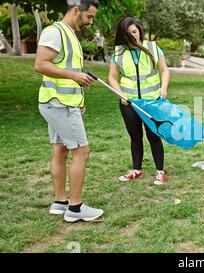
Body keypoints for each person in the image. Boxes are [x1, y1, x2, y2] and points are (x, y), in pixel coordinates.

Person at [34, 0, 103, 222]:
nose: (91, 21)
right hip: (58, 104)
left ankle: (60, 202)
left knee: (60, 150)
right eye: (89, 16)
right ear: (76, 10)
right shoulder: (55, 32)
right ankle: (75, 209)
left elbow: (67, 68)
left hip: (63, 103)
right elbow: (41, 64)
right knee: (81, 152)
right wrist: (75, 76)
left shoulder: (70, 34)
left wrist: (78, 98)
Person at [108, 16, 170, 185]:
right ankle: (136, 170)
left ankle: (160, 171)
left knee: (154, 136)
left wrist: (163, 88)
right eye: (129, 34)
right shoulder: (118, 52)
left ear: (139, 30)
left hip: (152, 102)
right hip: (129, 103)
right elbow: (112, 77)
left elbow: (164, 70)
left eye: (135, 31)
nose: (134, 36)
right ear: (123, 36)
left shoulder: (152, 47)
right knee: (135, 137)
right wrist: (121, 94)